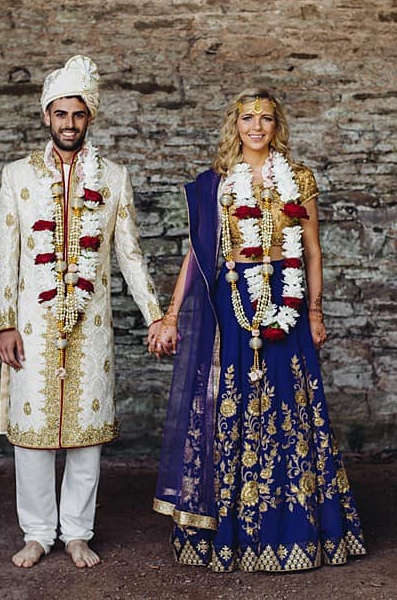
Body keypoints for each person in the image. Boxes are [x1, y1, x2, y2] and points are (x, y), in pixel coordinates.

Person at [149, 89, 367, 572]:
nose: (256, 126)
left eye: (265, 118)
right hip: (233, 300)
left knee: (289, 400)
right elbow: (196, 255)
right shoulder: (218, 182)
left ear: (276, 126)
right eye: (248, 118)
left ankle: (295, 530)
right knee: (236, 400)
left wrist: (314, 312)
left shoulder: (299, 178)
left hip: (287, 298)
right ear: (236, 125)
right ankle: (234, 534)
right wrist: (170, 314)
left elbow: (312, 252)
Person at [0, 55, 164, 569]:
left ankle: (76, 534)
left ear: (90, 117)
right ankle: (37, 533)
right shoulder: (17, 176)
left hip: (90, 326)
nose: (69, 123)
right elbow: (7, 254)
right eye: (60, 114)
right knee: (32, 436)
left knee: (87, 436)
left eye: (78, 114)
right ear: (46, 116)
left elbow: (130, 255)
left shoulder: (113, 177)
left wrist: (156, 316)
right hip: (32, 325)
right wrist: (6, 323)